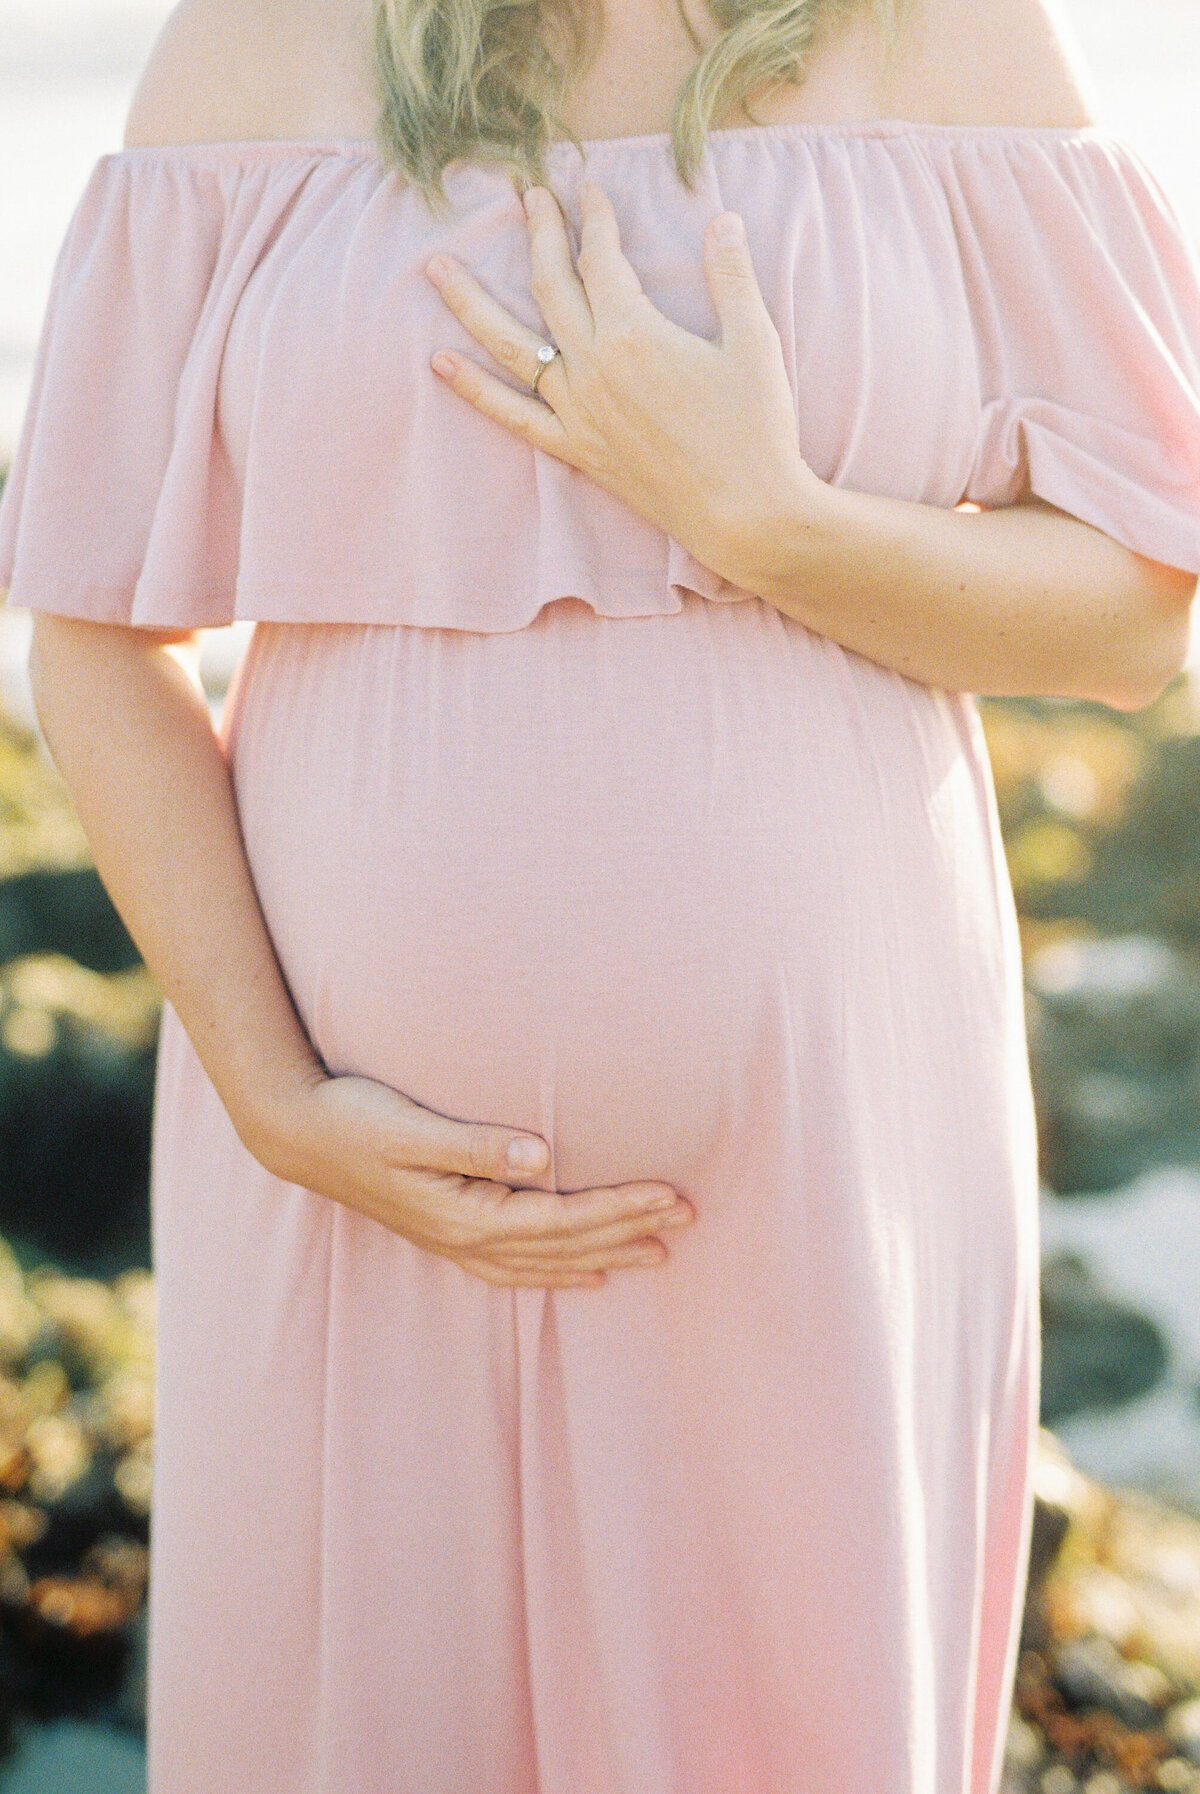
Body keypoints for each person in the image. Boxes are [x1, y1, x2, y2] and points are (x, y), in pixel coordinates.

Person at [1, 0, 1199, 1784]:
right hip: (347, 1175)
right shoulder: (257, 45)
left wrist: (766, 518)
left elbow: (1136, 606)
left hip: (817, 1163)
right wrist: (273, 1093)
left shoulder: (946, 38)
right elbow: (94, 629)